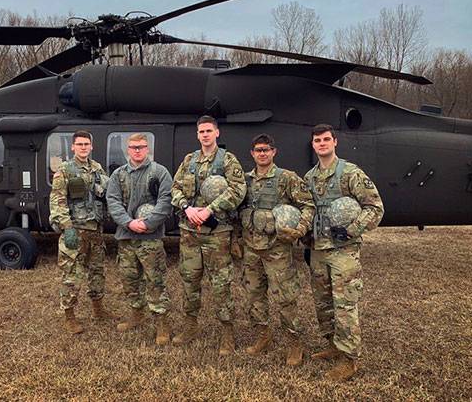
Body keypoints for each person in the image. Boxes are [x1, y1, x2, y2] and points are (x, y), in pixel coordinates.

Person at [304, 123, 384, 380]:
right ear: (313, 145)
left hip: (343, 251)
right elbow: (307, 210)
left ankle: (350, 359)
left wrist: (351, 229)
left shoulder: (350, 173)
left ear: (335, 141)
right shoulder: (309, 178)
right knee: (323, 303)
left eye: (326, 139)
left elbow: (375, 207)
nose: (322, 144)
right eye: (317, 140)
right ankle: (333, 345)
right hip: (318, 249)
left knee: (345, 304)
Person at [170, 115, 247, 355]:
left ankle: (227, 333)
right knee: (189, 281)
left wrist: (210, 210)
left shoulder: (227, 161)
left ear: (217, 133)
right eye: (201, 131)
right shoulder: (189, 160)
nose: (205, 135)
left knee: (221, 284)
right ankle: (190, 325)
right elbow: (175, 188)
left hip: (217, 233)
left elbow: (238, 189)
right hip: (190, 232)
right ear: (197, 134)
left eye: (208, 131)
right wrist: (186, 207)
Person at [236, 134, 315, 366]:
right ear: (252, 153)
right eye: (258, 150)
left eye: (266, 149)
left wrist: (299, 229)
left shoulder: (286, 178)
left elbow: (307, 205)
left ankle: (294, 343)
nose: (262, 153)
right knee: (253, 297)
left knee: (285, 298)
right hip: (251, 247)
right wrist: (234, 239)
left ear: (274, 152)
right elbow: (235, 210)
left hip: (277, 249)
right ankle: (264, 336)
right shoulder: (245, 181)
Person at [106, 133, 174, 345]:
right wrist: (129, 222)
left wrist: (148, 223)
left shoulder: (159, 172)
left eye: (142, 147)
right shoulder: (118, 175)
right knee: (129, 279)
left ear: (148, 149)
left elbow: (166, 201)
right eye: (134, 147)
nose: (137, 150)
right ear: (128, 150)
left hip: (150, 239)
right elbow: (113, 201)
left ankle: (162, 322)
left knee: (155, 280)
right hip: (126, 237)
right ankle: (137, 313)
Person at [49, 130, 114, 335]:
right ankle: (69, 316)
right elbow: (57, 201)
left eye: (86, 144)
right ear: (73, 147)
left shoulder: (98, 169)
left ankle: (98, 309)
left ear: (92, 146)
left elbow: (106, 195)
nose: (83, 147)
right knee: (72, 276)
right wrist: (66, 227)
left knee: (97, 273)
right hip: (75, 231)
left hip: (95, 230)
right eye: (80, 144)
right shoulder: (65, 171)